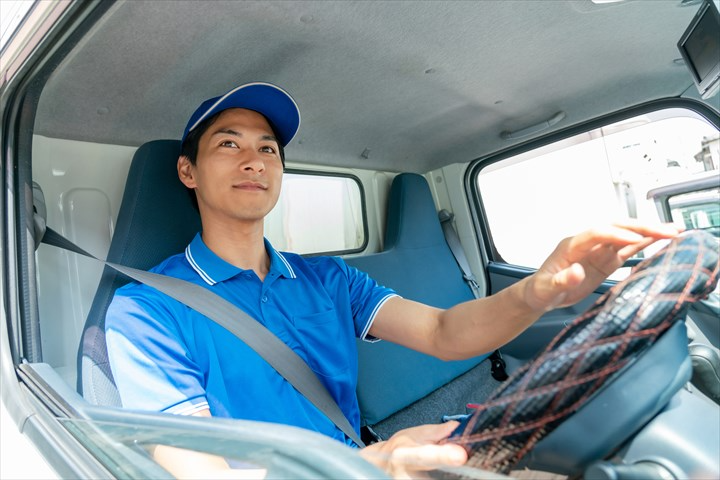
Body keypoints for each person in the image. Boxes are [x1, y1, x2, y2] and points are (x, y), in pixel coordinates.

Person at [105, 82, 680, 479]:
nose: (254, 161)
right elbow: (195, 469)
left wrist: (539, 290)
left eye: (268, 148)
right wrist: (367, 467)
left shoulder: (326, 278)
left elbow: (442, 330)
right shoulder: (145, 310)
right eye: (228, 143)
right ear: (188, 170)